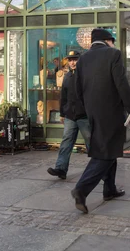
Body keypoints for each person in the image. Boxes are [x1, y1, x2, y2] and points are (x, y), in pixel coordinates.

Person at [71, 28, 130, 214]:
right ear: (107, 40)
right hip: (111, 112)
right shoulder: (113, 54)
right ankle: (81, 189)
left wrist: (87, 109)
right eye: (113, 41)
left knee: (109, 147)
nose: (114, 44)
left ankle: (109, 189)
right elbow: (121, 84)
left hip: (93, 112)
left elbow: (77, 89)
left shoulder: (83, 59)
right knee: (106, 153)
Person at [47, 51, 91, 180]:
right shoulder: (67, 76)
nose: (72, 62)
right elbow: (63, 96)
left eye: (75, 60)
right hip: (70, 116)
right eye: (70, 60)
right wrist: (62, 113)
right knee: (66, 142)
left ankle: (100, 170)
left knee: (91, 144)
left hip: (84, 116)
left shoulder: (86, 75)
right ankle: (61, 169)